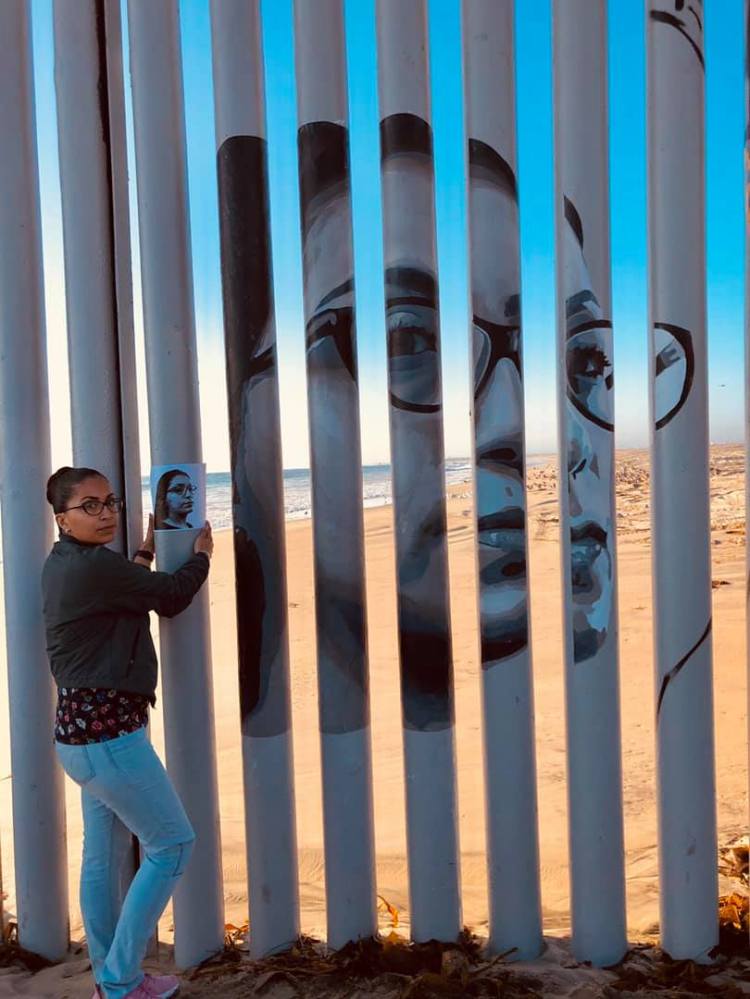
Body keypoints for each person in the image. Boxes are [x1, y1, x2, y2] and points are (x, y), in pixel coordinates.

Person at [42, 465, 213, 999]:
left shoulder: (71, 563)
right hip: (109, 740)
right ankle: (118, 983)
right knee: (173, 845)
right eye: (89, 506)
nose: (106, 512)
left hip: (81, 739)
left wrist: (141, 556)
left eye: (110, 501)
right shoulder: (91, 567)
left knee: (102, 857)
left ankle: (108, 974)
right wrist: (202, 556)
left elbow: (127, 596)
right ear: (62, 518)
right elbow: (169, 595)